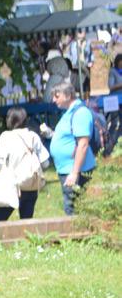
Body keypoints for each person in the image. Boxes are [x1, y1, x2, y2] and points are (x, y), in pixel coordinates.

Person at [41, 79, 95, 216]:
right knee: (72, 207)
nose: (53, 100)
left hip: (75, 170)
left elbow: (83, 144)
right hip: (67, 169)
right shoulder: (68, 112)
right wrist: (51, 134)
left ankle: (77, 230)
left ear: (68, 95)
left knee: (72, 209)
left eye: (56, 96)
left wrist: (74, 173)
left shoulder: (80, 113)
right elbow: (68, 136)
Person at [0, 107, 49, 222]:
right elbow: (45, 162)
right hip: (30, 184)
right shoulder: (33, 136)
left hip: (11, 186)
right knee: (27, 222)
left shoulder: (6, 136)